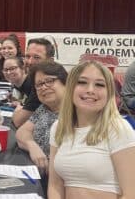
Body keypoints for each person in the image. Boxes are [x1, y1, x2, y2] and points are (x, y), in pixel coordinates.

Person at [48, 61, 135, 199]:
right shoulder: (58, 128)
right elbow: (55, 185)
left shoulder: (119, 129)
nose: (90, 90)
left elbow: (131, 194)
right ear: (70, 88)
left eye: (99, 85)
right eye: (82, 82)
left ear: (109, 93)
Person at [16, 61, 67, 192]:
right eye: (39, 85)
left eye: (49, 81)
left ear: (66, 83)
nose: (43, 87)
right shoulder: (44, 108)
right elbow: (22, 132)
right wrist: (32, 145)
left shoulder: (77, 114)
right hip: (36, 179)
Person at [12, 38, 55, 128]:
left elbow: (18, 122)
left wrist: (18, 110)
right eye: (27, 56)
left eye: (37, 57)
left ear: (50, 61)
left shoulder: (46, 85)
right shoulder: (37, 79)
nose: (30, 62)